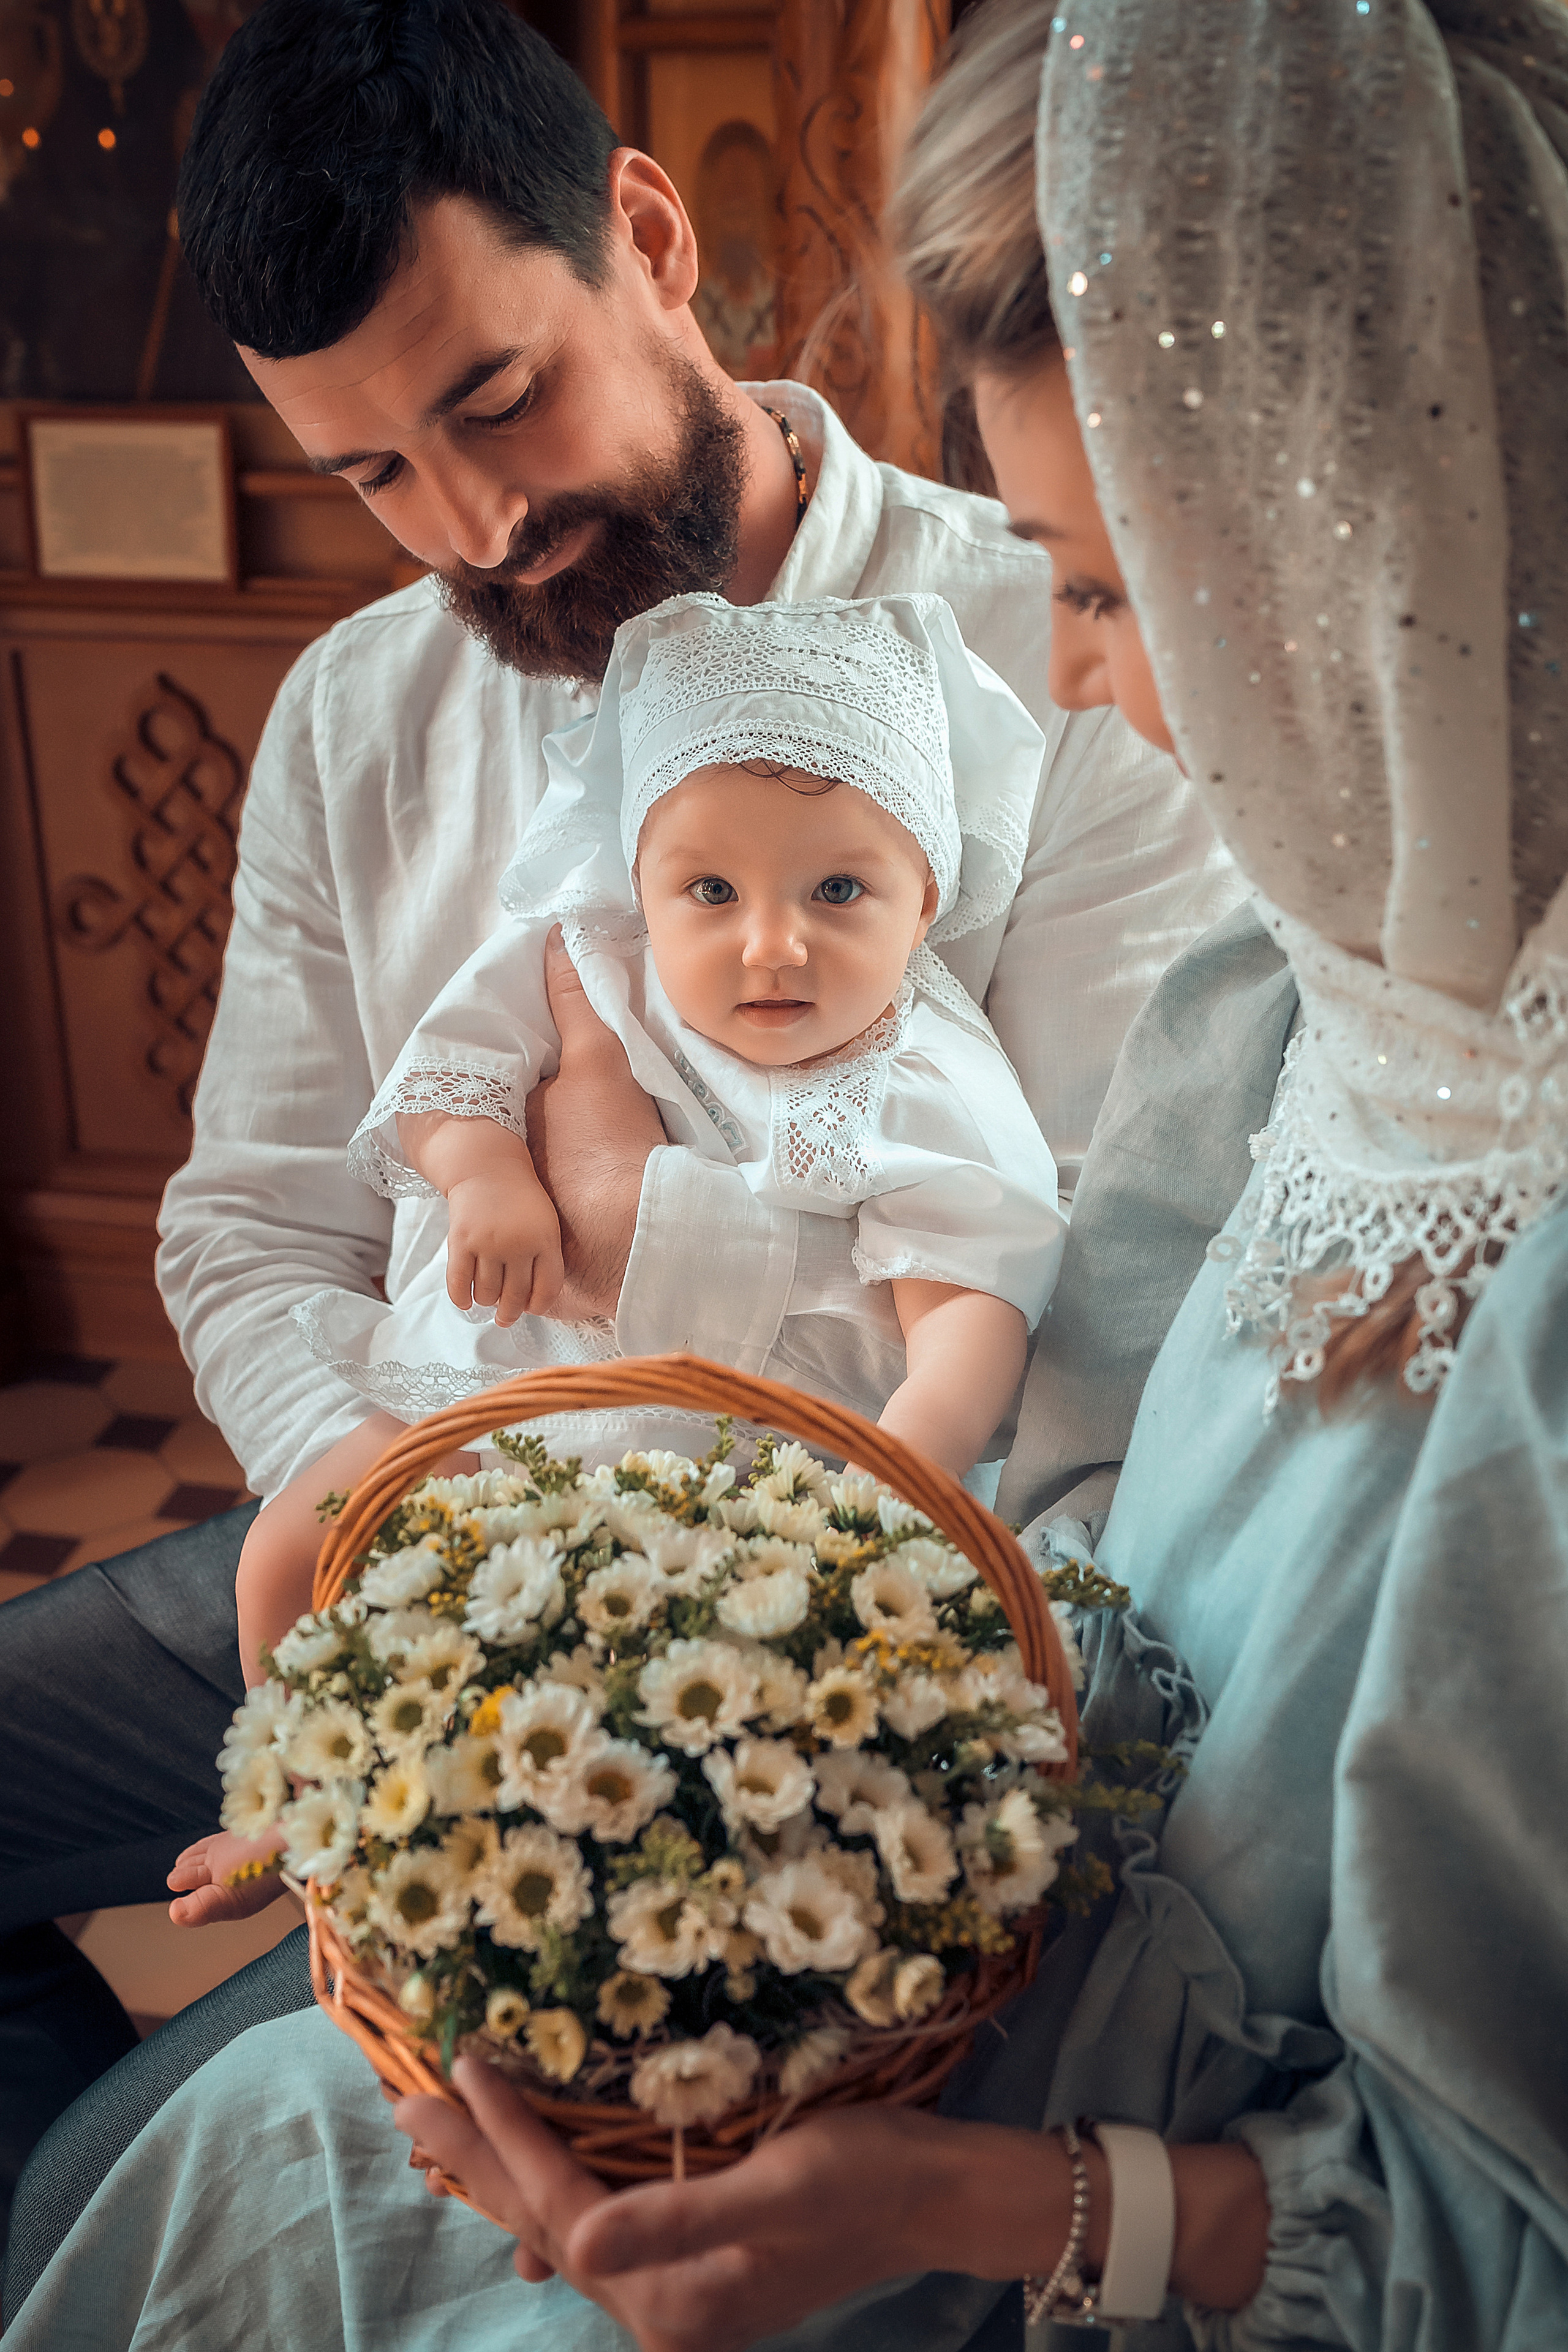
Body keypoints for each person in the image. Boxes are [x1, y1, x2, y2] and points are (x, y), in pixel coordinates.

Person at [10, 0, 1566, 2343]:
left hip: (808, 1586)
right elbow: (251, 1216)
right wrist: (344, 1477)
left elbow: (1023, 1289)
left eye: (498, 403)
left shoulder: (1048, 677)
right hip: (405, 1498)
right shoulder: (365, 702)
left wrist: (645, 1222)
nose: (472, 526)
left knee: (170, 2162)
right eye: (372, 478)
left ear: (649, 237)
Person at [173, 587, 1066, 1924]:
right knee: (294, 1544)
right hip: (502, 1393)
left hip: (747, 1466)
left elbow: (968, 1314)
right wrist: (483, 1177)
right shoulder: (583, 956)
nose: (771, 941)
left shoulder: (924, 1073)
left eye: (838, 889)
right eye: (708, 889)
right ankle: (285, 1796)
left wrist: (895, 1485)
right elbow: (445, 1079)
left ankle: (472, 1856)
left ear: (924, 892)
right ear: (638, 879)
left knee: (622, 1705)